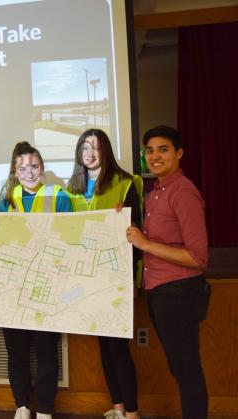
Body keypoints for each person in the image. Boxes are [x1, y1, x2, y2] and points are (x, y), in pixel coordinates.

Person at [126, 126, 209, 419]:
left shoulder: (184, 192)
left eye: (163, 149)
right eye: (150, 150)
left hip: (180, 293)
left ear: (179, 153)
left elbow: (198, 258)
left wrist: (146, 243)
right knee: (180, 367)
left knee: (187, 371)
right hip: (160, 291)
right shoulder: (157, 191)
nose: (155, 156)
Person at [66, 129, 142, 419]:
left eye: (96, 147)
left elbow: (136, 233)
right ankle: (118, 408)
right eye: (85, 147)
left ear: (106, 150)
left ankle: (132, 412)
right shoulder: (71, 188)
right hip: (86, 279)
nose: (90, 152)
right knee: (104, 348)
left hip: (115, 279)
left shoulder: (124, 184)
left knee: (118, 348)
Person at [0, 142, 72, 419]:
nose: (29, 172)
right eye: (22, 168)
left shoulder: (61, 197)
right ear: (14, 172)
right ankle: (21, 405)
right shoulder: (6, 200)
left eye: (34, 166)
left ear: (42, 168)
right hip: (12, 289)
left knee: (45, 351)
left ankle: (44, 409)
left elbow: (72, 240)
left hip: (48, 287)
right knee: (16, 352)